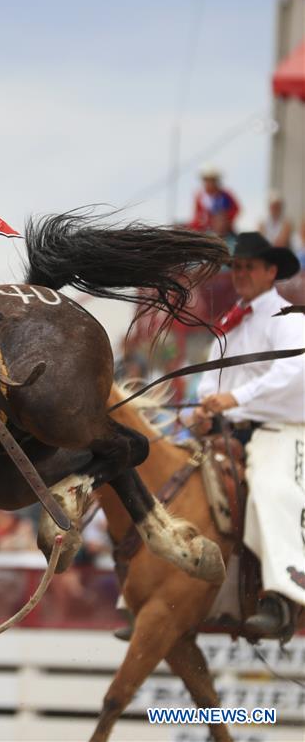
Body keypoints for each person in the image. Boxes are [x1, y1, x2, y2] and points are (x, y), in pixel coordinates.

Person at [190, 232, 304, 639]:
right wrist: (204, 406)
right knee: (176, 484)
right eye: (235, 267)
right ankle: (156, 596)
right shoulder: (229, 323)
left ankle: (283, 597)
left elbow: (295, 370)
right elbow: (209, 377)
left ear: (271, 272)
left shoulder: (289, 319)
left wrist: (234, 397)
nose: (239, 273)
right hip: (231, 430)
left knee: (272, 491)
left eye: (248, 267)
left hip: (282, 429)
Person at [189, 165, 240, 233]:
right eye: (206, 180)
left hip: (225, 231)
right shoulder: (200, 197)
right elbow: (197, 216)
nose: (209, 183)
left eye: (212, 180)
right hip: (205, 230)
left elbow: (236, 209)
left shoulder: (225, 195)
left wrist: (224, 219)